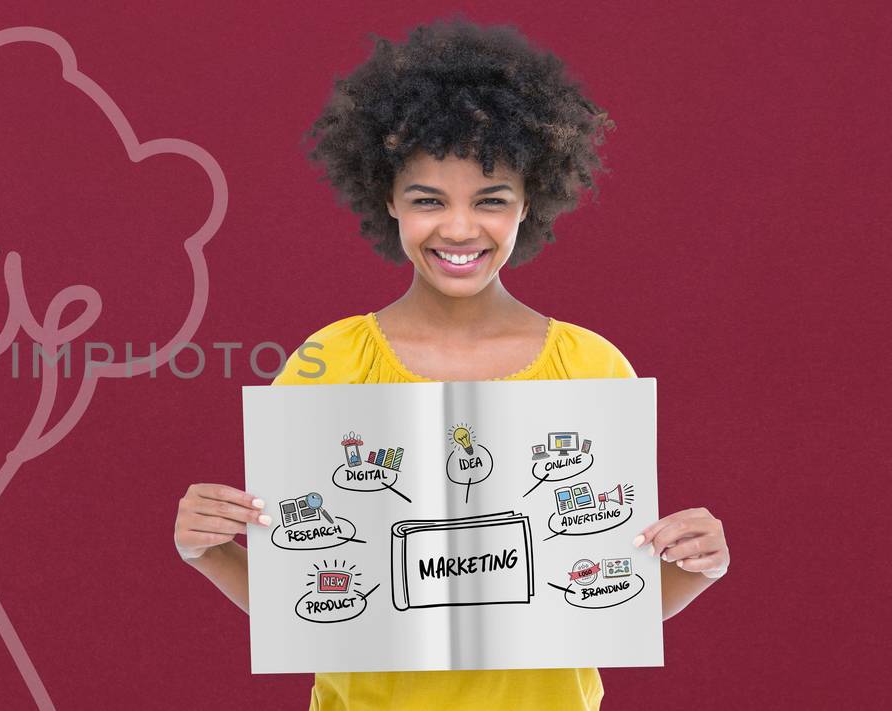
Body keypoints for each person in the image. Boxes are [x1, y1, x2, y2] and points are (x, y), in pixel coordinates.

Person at [172, 18, 730, 711]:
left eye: (490, 200)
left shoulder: (591, 366)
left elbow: (606, 596)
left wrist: (703, 565)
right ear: (388, 200)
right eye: (428, 200)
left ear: (528, 202)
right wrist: (208, 549)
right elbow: (306, 601)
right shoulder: (326, 363)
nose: (460, 229)